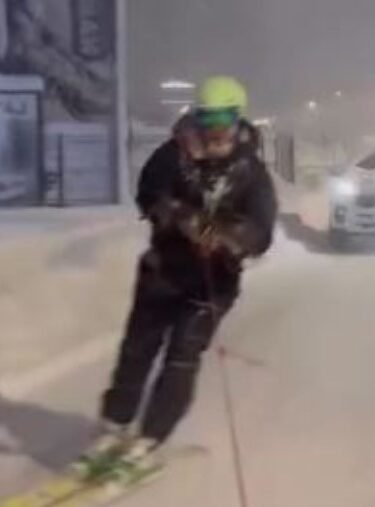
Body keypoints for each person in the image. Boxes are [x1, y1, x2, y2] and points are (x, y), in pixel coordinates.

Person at [82, 76, 278, 466]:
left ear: (236, 117)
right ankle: (114, 424)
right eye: (207, 117)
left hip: (212, 283)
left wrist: (226, 237)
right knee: (137, 349)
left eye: (222, 117)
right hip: (163, 271)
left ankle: (151, 436)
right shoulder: (176, 153)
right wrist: (175, 214)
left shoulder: (250, 172)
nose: (213, 127)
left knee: (181, 357)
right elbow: (148, 193)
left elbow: (261, 232)